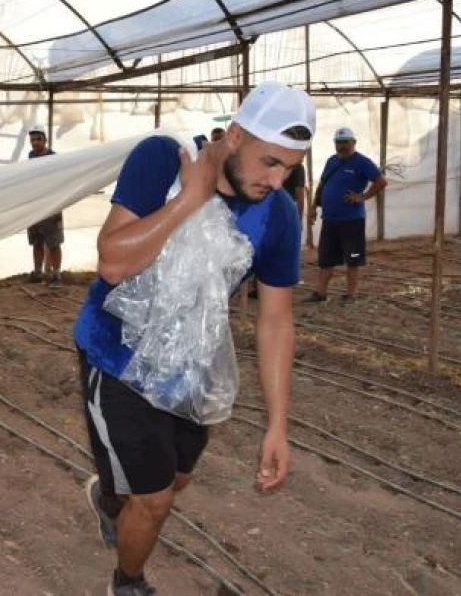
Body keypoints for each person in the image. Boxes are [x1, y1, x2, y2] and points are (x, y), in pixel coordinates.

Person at [74, 82, 311, 596]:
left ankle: (112, 499)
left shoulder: (278, 215)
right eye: (270, 162)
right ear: (237, 135)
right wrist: (190, 200)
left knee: (174, 481)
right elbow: (113, 263)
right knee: (156, 499)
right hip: (117, 357)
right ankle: (129, 582)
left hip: (191, 365)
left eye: (290, 168)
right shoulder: (163, 160)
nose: (278, 179)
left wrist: (277, 427)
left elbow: (275, 321)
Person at [305, 127, 387, 305]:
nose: (341, 146)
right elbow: (322, 185)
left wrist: (362, 197)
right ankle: (320, 293)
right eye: (338, 143)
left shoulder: (362, 162)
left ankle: (351, 295)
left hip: (352, 220)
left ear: (354, 143)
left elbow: (381, 182)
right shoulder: (331, 161)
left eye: (345, 143)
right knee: (326, 258)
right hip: (330, 219)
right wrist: (313, 207)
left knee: (353, 259)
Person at [26, 124, 64, 285]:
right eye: (33, 139)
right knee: (37, 242)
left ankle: (56, 273)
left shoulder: (54, 158)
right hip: (35, 206)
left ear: (45, 140)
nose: (35, 142)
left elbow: (60, 183)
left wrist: (57, 207)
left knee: (53, 243)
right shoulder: (31, 157)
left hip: (51, 206)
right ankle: (38, 271)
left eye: (38, 139)